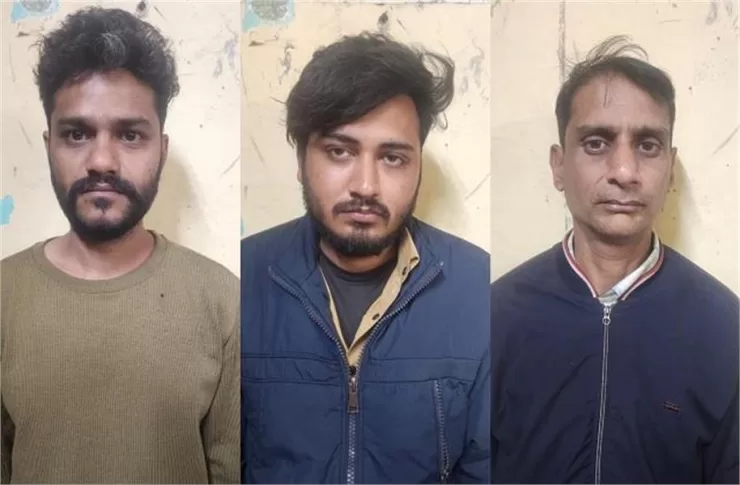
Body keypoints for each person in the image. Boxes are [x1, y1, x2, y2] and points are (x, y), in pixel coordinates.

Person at [0, 7, 239, 484]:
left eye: (130, 135)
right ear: (49, 146)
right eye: (77, 134)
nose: (102, 161)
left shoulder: (223, 301)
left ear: (161, 150)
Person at [241, 33, 490, 484]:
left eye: (392, 158)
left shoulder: (478, 290)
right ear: (300, 159)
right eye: (339, 152)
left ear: (418, 166)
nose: (365, 186)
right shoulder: (241, 280)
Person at [491, 35, 738, 484]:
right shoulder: (494, 317)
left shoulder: (725, 328)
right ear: (558, 166)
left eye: (647, 145)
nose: (624, 172)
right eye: (596, 143)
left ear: (671, 167)